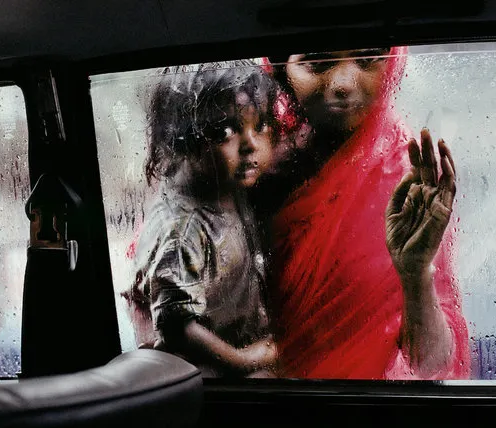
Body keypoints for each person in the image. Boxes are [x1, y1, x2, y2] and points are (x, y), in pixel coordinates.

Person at [256, 47, 470, 379]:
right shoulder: (247, 158)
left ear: (394, 62)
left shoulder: (407, 177)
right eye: (317, 63)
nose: (343, 82)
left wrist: (416, 278)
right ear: (280, 70)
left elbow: (431, 367)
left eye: (368, 59)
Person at [123, 61, 279, 377]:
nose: (251, 145)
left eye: (261, 125)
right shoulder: (183, 229)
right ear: (180, 141)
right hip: (197, 373)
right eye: (225, 131)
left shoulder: (226, 183)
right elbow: (176, 327)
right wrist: (244, 360)